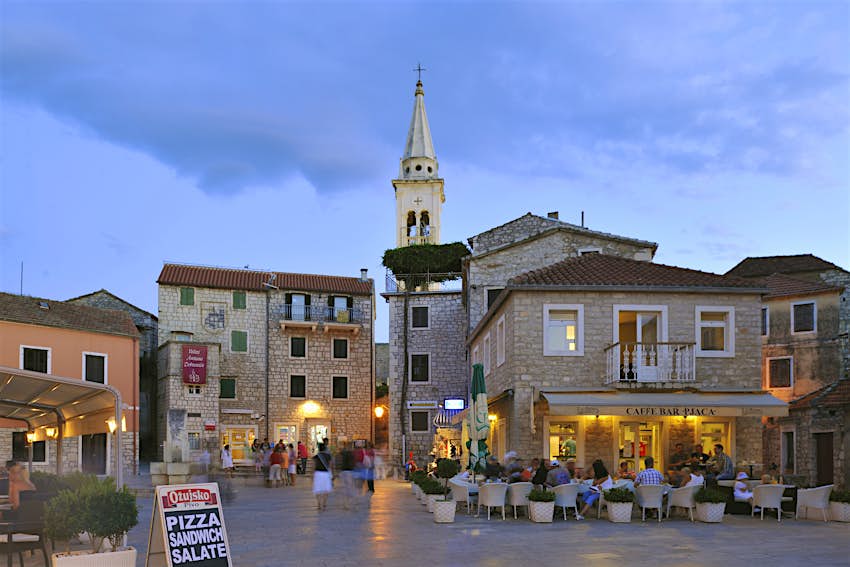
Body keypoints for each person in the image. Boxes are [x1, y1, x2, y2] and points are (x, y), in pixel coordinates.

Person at [313, 442, 334, 511]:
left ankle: (319, 504)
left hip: (318, 473)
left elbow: (313, 466)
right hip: (326, 474)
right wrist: (332, 474)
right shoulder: (328, 456)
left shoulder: (316, 456)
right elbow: (331, 466)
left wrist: (312, 475)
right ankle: (324, 503)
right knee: (326, 489)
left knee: (318, 489)